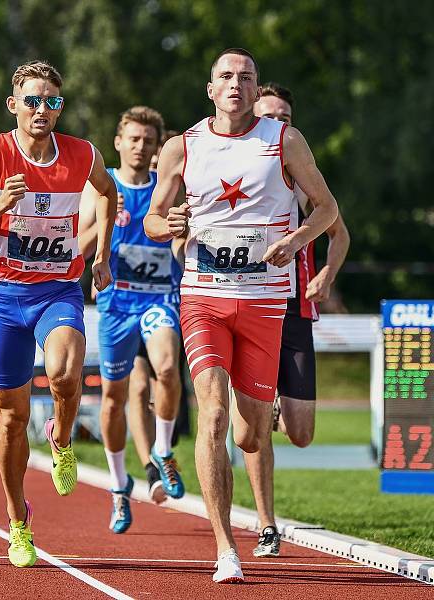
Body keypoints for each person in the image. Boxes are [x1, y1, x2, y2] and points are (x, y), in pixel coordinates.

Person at [144, 48, 339, 583]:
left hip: (263, 302)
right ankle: (225, 548)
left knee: (251, 435)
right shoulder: (182, 146)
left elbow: (327, 209)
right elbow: (154, 222)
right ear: (210, 88)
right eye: (226, 77)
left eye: (245, 77)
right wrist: (171, 222)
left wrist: (296, 239)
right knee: (211, 415)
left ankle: (254, 413)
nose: (236, 84)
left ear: (256, 90)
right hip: (203, 296)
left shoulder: (283, 141)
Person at [0, 60, 116, 568]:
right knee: (10, 415)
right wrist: (0, 203)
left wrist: (102, 256)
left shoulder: (83, 154)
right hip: (5, 297)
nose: (42, 110)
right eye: (33, 101)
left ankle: (62, 439)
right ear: (14, 105)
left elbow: (108, 193)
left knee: (66, 374)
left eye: (52, 101)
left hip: (58, 289)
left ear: (60, 107)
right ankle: (17, 520)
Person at [246, 82, 351, 557]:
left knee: (302, 434)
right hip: (250, 304)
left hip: (295, 311)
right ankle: (268, 524)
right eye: (270, 115)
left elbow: (339, 233)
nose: (279, 123)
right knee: (251, 423)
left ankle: (272, 408)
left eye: (285, 116)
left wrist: (326, 275)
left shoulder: (306, 177)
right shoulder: (239, 170)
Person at [78, 106, 185, 534]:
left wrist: (182, 230)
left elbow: (182, 238)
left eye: (149, 141)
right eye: (134, 139)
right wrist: (107, 217)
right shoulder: (101, 188)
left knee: (165, 368)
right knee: (113, 398)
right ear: (119, 142)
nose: (141, 148)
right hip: (116, 305)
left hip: (159, 297)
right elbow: (78, 247)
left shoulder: (167, 188)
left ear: (158, 148)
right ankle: (120, 486)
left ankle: (162, 452)